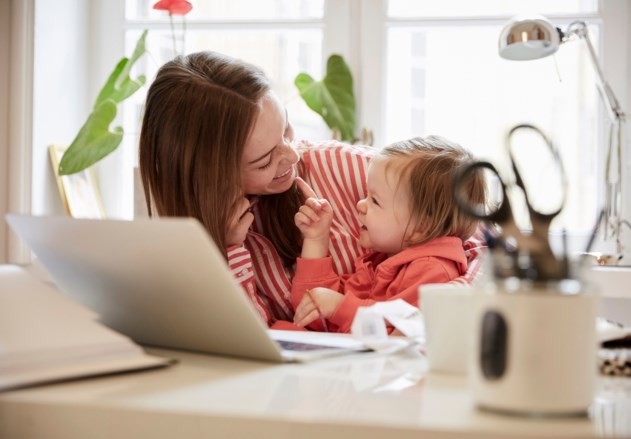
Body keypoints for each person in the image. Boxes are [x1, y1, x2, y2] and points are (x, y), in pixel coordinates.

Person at [139, 51, 485, 327]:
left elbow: (475, 241)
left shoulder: (351, 170)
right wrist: (232, 250)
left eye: (287, 131)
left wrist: (438, 307)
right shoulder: (190, 242)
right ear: (210, 175)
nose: (292, 155)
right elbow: (252, 340)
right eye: (264, 160)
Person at [291, 136, 486, 332]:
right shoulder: (381, 260)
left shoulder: (431, 269)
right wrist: (316, 239)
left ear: (421, 228)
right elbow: (312, 313)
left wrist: (339, 306)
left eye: (374, 200)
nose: (360, 205)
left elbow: (399, 326)